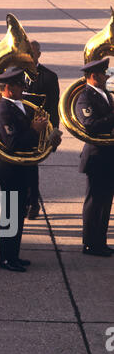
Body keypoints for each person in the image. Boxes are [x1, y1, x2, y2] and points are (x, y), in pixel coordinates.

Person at [0, 67, 61, 272]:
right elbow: (13, 143)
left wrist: (50, 139)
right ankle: (6, 258)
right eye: (20, 85)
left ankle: (13, 255)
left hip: (24, 170)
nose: (24, 88)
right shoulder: (3, 110)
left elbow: (37, 136)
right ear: (9, 88)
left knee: (18, 216)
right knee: (10, 218)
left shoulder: (21, 106)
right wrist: (34, 129)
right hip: (11, 171)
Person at [75, 57, 114, 257]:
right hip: (97, 156)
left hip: (109, 156)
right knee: (94, 201)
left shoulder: (105, 94)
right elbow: (90, 125)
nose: (107, 76)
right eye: (103, 73)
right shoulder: (85, 97)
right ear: (93, 76)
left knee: (106, 201)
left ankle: (100, 242)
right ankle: (89, 243)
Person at [25, 40, 60, 219]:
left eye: (33, 53)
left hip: (38, 131)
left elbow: (54, 108)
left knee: (31, 168)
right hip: (19, 130)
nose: (30, 56)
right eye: (27, 53)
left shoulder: (49, 76)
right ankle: (24, 202)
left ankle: (32, 203)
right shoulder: (13, 74)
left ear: (39, 54)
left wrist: (54, 134)